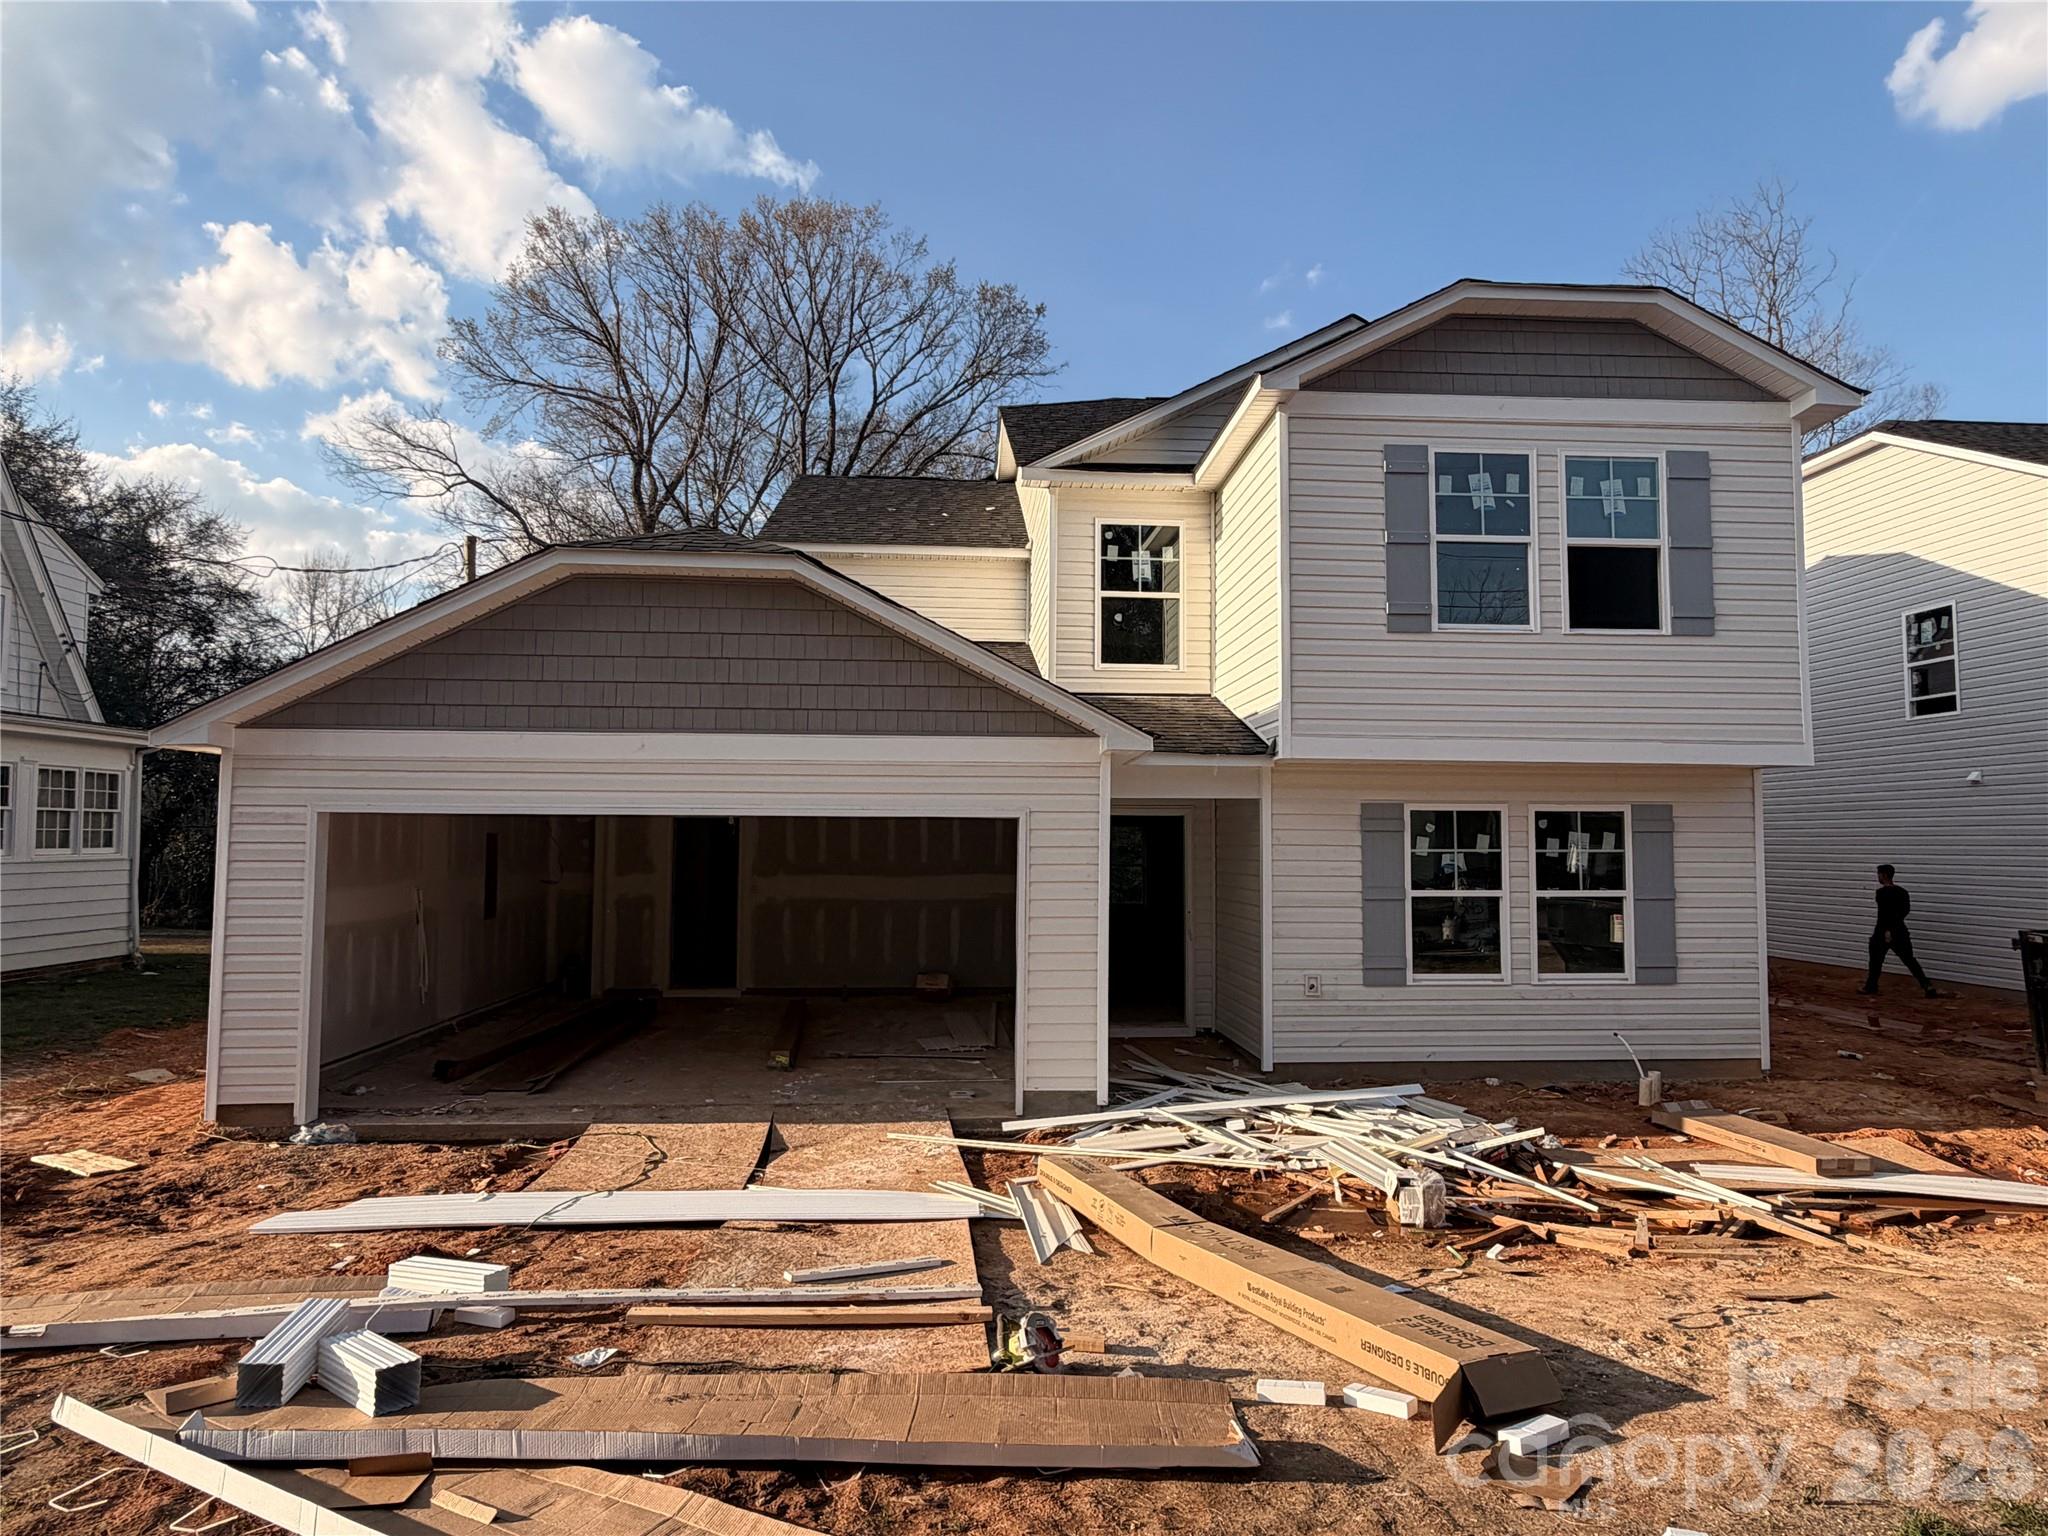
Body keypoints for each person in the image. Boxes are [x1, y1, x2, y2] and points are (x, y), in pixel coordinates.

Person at [1861, 864, 1939, 998]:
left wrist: (1887, 931)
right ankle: (1927, 985)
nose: (1878, 877)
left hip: (1883, 931)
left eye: (1879, 874)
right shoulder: (1903, 892)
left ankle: (1871, 986)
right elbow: (1905, 911)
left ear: (1884, 875)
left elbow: (1884, 914)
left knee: (1875, 961)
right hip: (1901, 931)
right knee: (1909, 960)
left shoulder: (1881, 893)